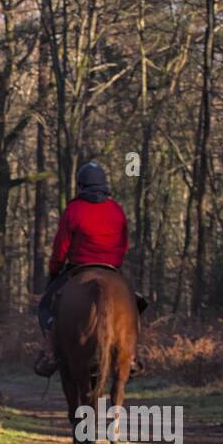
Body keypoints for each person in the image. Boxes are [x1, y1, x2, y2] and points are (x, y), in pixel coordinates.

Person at [33, 161, 143, 378]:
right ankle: (131, 355)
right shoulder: (116, 210)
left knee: (46, 306)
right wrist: (115, 265)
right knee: (137, 304)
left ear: (81, 185)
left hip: (77, 268)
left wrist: (55, 270)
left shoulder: (73, 209)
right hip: (112, 268)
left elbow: (60, 247)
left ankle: (50, 352)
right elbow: (123, 245)